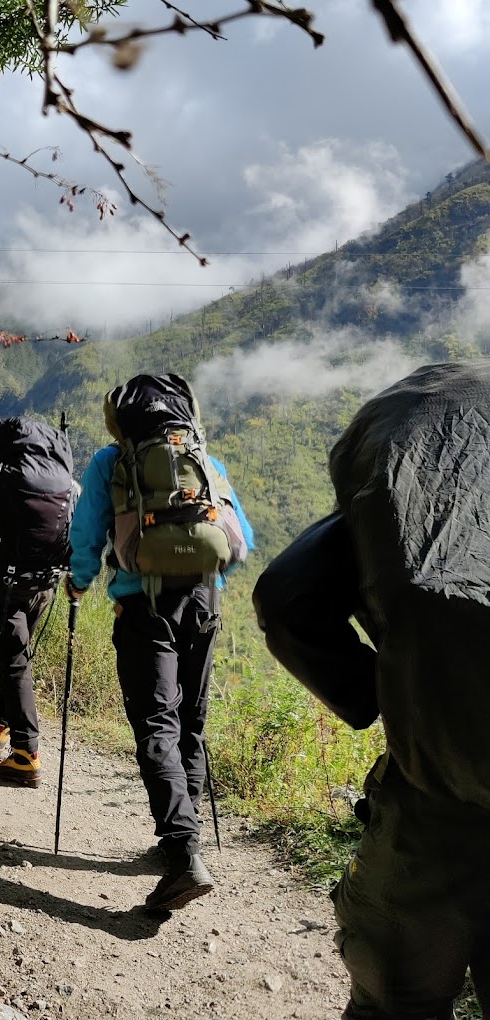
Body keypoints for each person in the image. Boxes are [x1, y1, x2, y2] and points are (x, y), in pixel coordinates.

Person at [253, 360, 490, 1020]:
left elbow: (286, 597)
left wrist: (384, 694)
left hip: (430, 794)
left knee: (398, 998)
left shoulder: (412, 474)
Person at [67, 374, 252, 912]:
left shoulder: (110, 462)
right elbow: (242, 542)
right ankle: (184, 835)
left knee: (155, 722)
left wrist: (80, 580)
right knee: (190, 721)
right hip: (203, 603)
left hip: (143, 606)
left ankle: (181, 852)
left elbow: (87, 534)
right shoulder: (204, 461)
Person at [0, 416, 74, 788]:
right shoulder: (65, 480)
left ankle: (26, 754)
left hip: (3, 585)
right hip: (45, 585)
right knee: (17, 657)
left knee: (15, 662)